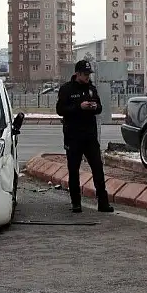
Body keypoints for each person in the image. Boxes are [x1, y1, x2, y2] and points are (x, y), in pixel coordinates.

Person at [56, 60, 114, 213]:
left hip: (90, 136)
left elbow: (100, 107)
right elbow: (60, 110)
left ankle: (103, 203)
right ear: (77, 74)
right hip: (73, 136)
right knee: (74, 170)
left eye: (89, 74)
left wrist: (95, 107)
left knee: (97, 168)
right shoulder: (67, 89)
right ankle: (76, 203)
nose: (88, 77)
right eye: (85, 74)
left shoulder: (91, 89)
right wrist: (78, 107)